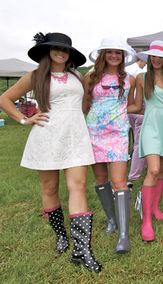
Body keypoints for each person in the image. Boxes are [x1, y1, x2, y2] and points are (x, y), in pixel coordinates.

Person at [0, 32, 101, 272]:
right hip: (47, 136)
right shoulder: (35, 76)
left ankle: (82, 249)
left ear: (69, 54)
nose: (60, 52)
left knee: (78, 187)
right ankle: (61, 236)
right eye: (56, 48)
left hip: (76, 136)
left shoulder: (77, 75)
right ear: (47, 51)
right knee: (49, 189)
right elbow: (5, 99)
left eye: (64, 49)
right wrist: (24, 120)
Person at [83, 36, 136, 253]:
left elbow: (132, 104)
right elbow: (85, 104)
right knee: (101, 178)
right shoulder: (90, 77)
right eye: (110, 52)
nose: (114, 56)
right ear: (102, 54)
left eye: (118, 52)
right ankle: (112, 219)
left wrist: (121, 112)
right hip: (94, 132)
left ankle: (124, 236)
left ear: (122, 57)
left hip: (118, 134)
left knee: (120, 181)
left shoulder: (130, 79)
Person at [128, 40, 163, 241]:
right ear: (149, 57)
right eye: (153, 55)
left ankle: (155, 208)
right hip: (150, 125)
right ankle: (146, 220)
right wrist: (115, 110)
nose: (156, 59)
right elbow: (137, 105)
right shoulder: (141, 78)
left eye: (160, 56)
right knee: (154, 170)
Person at [126, 59, 147, 187]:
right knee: (139, 144)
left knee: (137, 142)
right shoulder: (141, 73)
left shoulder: (127, 69)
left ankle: (141, 170)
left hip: (131, 110)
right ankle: (134, 175)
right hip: (140, 110)